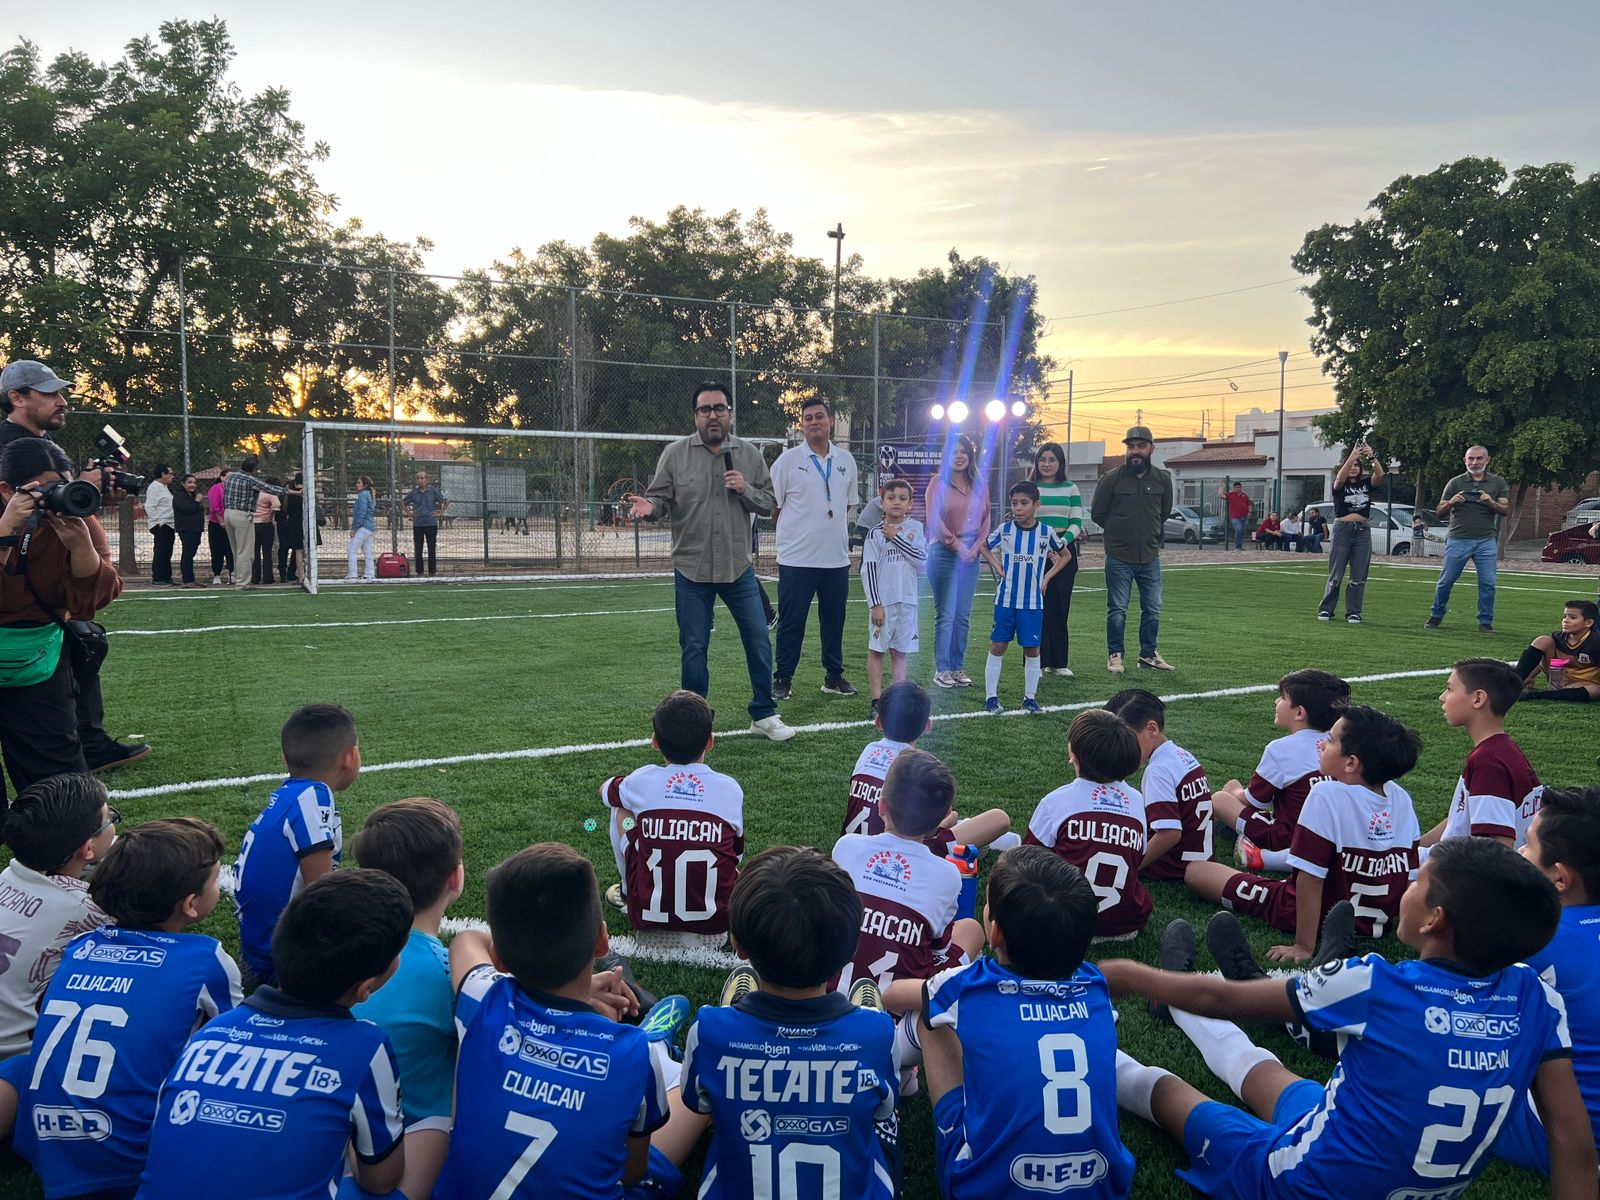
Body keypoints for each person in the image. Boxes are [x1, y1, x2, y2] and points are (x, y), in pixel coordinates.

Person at [1106, 838, 1595, 1199]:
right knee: (1296, 1088)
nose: (1408, 886)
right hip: (1367, 1150)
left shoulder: (1379, 983)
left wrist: (1135, 975)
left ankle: (1142, 1026)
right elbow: (1573, 1141)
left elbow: (1228, 1000)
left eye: (1418, 882)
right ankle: (1177, 1003)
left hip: (1303, 1182)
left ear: (1434, 919)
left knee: (1180, 1100)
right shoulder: (1538, 998)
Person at [136, 870, 413, 1199]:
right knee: (433, 1132)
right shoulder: (366, 1046)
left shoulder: (211, 1032)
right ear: (365, 988)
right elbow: (380, 1180)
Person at [4, 818, 241, 1199]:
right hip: (133, 1164)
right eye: (213, 879)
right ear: (190, 905)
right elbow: (232, 1050)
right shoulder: (206, 959)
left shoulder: (81, 946)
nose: (217, 885)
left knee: (17, 1068)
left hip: (48, 1143)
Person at [434, 844, 676, 1199]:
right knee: (658, 1161)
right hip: (630, 1059)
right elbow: (630, 1172)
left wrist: (584, 990)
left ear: (498, 958)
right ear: (602, 940)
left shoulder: (484, 998)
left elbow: (467, 940)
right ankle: (663, 1047)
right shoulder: (634, 1053)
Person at [683, 845, 898, 1199]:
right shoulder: (879, 1035)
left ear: (737, 943)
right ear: (851, 951)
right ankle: (860, 1012)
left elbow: (698, 1106)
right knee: (883, 1126)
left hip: (730, 1053)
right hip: (862, 1042)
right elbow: (881, 1113)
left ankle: (741, 1012)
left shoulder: (708, 1030)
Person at [920, 846, 1134, 1200]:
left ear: (996, 933)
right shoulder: (1097, 987)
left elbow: (924, 998)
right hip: (1103, 1188)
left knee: (928, 1020)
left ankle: (926, 1102)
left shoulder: (965, 985)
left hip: (985, 1189)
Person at [1184, 705, 1422, 961]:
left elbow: (1310, 878)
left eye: (1329, 740)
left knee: (1196, 871)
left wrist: (1304, 946)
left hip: (1311, 913)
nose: (1320, 745)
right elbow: (1408, 878)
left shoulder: (1326, 794)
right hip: (1377, 921)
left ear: (1351, 763)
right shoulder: (1401, 798)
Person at [0, 363, 146, 773]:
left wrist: (82, 497)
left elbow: (95, 593)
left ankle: (89, 742)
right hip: (18, 613)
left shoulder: (44, 447)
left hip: (38, 637)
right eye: (50, 393)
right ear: (17, 397)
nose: (63, 401)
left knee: (56, 774)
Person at [629, 382, 793, 742]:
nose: (713, 415)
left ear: (730, 413)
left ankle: (764, 713)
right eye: (706, 409)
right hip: (692, 568)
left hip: (737, 567)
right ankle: (695, 722)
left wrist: (744, 490)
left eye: (720, 408)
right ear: (696, 416)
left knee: (757, 639)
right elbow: (658, 499)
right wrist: (650, 507)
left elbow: (767, 503)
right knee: (694, 647)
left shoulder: (749, 455)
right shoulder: (674, 455)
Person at [0, 437, 123, 805]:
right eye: (46, 489)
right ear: (8, 489)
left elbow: (96, 599)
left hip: (38, 657)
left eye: (64, 485)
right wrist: (5, 531)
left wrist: (81, 548)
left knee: (59, 774)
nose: (59, 496)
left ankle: (66, 847)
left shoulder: (75, 516)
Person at [349, 799, 462, 1194]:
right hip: (413, 1149)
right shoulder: (451, 974)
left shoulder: (332, 956)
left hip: (341, 1145)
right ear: (456, 877)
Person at [1501, 787, 1600, 1173]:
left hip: (1564, 1139)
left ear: (1559, 879)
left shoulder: (1536, 937)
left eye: (1526, 846)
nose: (1517, 856)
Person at [832, 749, 985, 996]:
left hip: (829, 995)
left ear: (881, 805)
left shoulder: (846, 846)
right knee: (971, 930)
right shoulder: (947, 875)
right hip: (901, 1011)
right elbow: (937, 952)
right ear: (942, 821)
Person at [600, 690, 744, 944]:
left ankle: (626, 890)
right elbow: (736, 853)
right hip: (717, 919)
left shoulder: (642, 780)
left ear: (655, 741)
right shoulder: (729, 788)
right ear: (710, 742)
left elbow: (605, 790)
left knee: (621, 808)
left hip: (648, 915)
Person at [233, 703, 358, 987]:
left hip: (257, 950)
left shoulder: (288, 793)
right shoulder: (313, 797)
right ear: (350, 757)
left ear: (284, 759)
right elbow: (321, 892)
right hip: (284, 963)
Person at [0, 774, 114, 1059]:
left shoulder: (6, 877)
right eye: (109, 817)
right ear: (88, 849)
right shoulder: (85, 911)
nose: (112, 821)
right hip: (19, 1058)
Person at [1023, 708, 1163, 940]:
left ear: (1073, 755)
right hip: (1127, 923)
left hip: (1065, 920)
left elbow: (1028, 859)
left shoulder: (1057, 801)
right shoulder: (1137, 801)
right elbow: (1137, 856)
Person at [841, 680, 1014, 852]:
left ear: (878, 722)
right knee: (997, 819)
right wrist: (950, 821)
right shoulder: (923, 765)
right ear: (927, 726)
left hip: (856, 846)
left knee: (960, 823)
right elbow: (933, 825)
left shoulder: (868, 751)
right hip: (903, 851)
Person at [1211, 668, 1349, 873]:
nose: (1276, 702)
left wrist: (1233, 791)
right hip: (1341, 835)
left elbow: (1255, 801)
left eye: (1282, 697)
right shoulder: (1342, 743)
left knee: (1221, 798)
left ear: (1299, 712)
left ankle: (1261, 856)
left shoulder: (1280, 749)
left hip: (1290, 837)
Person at [770, 397, 860, 700]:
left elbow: (847, 505)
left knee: (834, 621)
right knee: (792, 622)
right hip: (797, 559)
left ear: (831, 421)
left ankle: (833, 677)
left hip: (836, 559)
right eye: (807, 418)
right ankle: (783, 677)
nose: (813, 422)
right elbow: (775, 507)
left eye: (819, 416)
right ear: (802, 425)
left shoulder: (846, 460)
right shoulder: (787, 461)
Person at [1419, 658, 1541, 854]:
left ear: (1478, 699)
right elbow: (1463, 816)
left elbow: (1496, 846)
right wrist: (1412, 849)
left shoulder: (1489, 762)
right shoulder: (1503, 750)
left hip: (1463, 877)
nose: (1442, 697)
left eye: (1450, 689)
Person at [978, 480, 1067, 714]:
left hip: (1032, 603)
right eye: (1014, 503)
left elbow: (1065, 555)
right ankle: (991, 698)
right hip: (1006, 600)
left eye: (1024, 503)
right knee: (998, 645)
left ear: (1036, 505)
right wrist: (996, 563)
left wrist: (1047, 577)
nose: (1018, 508)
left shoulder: (1045, 532)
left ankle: (1030, 698)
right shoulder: (1005, 530)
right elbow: (983, 546)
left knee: (1032, 649)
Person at [1091, 425, 1174, 673]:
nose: (1135, 451)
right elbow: (1098, 513)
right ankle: (1115, 655)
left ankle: (1148, 654)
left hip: (1149, 556)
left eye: (1141, 446)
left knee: (1153, 608)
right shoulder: (1111, 479)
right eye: (1131, 446)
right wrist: (1119, 532)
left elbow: (1164, 512)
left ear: (1151, 448)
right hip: (1119, 556)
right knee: (1117, 609)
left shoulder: (1163, 479)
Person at [1108, 688, 1214, 882]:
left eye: (1127, 739)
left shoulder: (1157, 771)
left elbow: (1170, 834)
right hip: (1200, 856)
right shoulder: (1183, 755)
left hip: (1174, 864)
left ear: (1152, 729)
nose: (1122, 749)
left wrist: (1133, 866)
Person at [926, 433, 990, 689]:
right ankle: (942, 669)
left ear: (970, 455)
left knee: (963, 615)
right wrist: (958, 546)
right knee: (947, 614)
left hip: (971, 556)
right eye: (954, 452)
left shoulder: (979, 484)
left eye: (964, 451)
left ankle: (957, 667)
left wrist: (974, 547)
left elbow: (986, 520)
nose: (959, 456)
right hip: (943, 553)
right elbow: (934, 521)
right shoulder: (937, 484)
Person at [1427, 443, 1510, 633]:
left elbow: (1505, 510)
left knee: (1488, 582)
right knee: (1446, 581)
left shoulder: (1498, 483)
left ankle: (1485, 622)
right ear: (1465, 461)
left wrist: (1490, 502)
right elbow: (1439, 511)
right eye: (1470, 458)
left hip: (1486, 540)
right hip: (1458, 538)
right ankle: (1436, 615)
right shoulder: (1455, 483)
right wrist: (1450, 503)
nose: (1474, 462)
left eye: (1479, 458)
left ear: (1487, 460)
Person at [861, 477, 925, 713]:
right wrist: (875, 604)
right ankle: (877, 701)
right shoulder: (874, 534)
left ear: (909, 504)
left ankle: (897, 699)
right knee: (877, 650)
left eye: (902, 498)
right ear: (882, 502)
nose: (896, 502)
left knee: (900, 652)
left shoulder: (915, 529)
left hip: (908, 602)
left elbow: (921, 562)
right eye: (891, 498)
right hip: (884, 605)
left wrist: (896, 538)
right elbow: (868, 571)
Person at [1032, 442, 1084, 676]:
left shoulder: (1071, 488)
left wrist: (1060, 543)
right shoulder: (1030, 487)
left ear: (1060, 463)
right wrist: (1044, 544)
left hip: (1063, 552)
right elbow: (1023, 517)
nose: (1047, 464)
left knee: (1059, 606)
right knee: (1035, 607)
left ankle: (1058, 662)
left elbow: (1076, 521)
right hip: (1034, 551)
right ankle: (1036, 661)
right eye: (1042, 459)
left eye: (1052, 459)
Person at [1318, 438, 1383, 622]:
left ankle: (1354, 611)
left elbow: (1379, 475)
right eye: (1350, 465)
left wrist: (1371, 455)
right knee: (1336, 573)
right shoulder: (1339, 486)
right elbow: (1339, 478)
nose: (1354, 467)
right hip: (1342, 530)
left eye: (1356, 464)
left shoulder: (1365, 484)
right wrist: (1352, 455)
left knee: (1359, 574)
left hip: (1362, 531)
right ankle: (1326, 609)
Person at [221, 454, 289, 591]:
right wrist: (288, 490)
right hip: (242, 514)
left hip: (228, 513)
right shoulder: (250, 479)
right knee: (245, 551)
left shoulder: (230, 477)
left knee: (236, 550)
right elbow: (271, 489)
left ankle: (238, 579)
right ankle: (242, 584)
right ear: (253, 469)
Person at [1515, 598, 1600, 702]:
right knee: (1543, 640)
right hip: (1556, 677)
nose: (1565, 620)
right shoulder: (1558, 637)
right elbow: (1541, 659)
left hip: (1581, 683)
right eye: (1565, 616)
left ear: (1589, 623)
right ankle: (1514, 682)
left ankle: (1539, 695)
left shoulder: (1596, 642)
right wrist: (1530, 676)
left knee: (1596, 690)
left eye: (1572, 617)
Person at [403, 469, 448, 577]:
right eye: (418, 478)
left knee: (431, 548)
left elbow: (445, 501)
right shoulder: (414, 493)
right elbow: (403, 502)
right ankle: (420, 572)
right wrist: (409, 512)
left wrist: (440, 512)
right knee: (418, 549)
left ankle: (432, 572)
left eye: (422, 478)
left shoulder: (433, 491)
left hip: (430, 524)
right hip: (418, 524)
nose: (420, 480)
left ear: (427, 479)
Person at [172, 472, 206, 587]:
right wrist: (196, 501)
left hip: (196, 529)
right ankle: (187, 580)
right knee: (187, 553)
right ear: (183, 484)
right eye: (189, 482)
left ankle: (191, 578)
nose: (192, 485)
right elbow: (186, 509)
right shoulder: (179, 496)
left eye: (194, 483)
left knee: (191, 553)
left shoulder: (191, 495)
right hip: (186, 528)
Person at [144, 464, 176, 585]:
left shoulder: (164, 487)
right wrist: (158, 522)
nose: (172, 476)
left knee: (167, 551)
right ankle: (158, 577)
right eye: (170, 474)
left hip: (169, 523)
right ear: (163, 474)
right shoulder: (155, 487)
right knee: (160, 551)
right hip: (161, 524)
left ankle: (167, 576)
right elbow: (150, 506)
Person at [345, 474, 377, 582]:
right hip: (370, 527)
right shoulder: (369, 494)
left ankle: (353, 574)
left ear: (365, 485)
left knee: (351, 548)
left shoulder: (363, 495)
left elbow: (361, 513)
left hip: (364, 527)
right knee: (367, 550)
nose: (356, 484)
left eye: (359, 482)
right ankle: (370, 574)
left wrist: (355, 528)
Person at [251, 475, 280, 585]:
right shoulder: (270, 493)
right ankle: (268, 578)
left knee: (255, 552)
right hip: (266, 524)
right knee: (267, 552)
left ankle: (255, 578)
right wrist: (270, 514)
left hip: (254, 523)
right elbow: (277, 505)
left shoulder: (255, 493)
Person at [206, 469, 233, 585]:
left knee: (231, 550)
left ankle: (232, 573)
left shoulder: (233, 489)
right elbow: (214, 507)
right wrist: (221, 521)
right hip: (217, 524)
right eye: (228, 476)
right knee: (217, 550)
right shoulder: (216, 488)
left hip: (231, 523)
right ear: (222, 477)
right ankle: (217, 574)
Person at [279, 470, 306, 584]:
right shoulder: (306, 493)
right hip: (305, 523)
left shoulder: (289, 494)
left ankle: (300, 577)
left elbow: (285, 508)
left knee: (297, 551)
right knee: (304, 551)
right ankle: (304, 576)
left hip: (293, 523)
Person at [1219, 480, 1253, 550]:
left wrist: (1250, 512)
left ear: (1241, 487)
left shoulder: (1245, 495)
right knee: (1238, 529)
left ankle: (1239, 545)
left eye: (1238, 487)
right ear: (1233, 488)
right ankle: (1238, 546)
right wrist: (1221, 487)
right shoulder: (1230, 495)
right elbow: (1221, 495)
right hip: (1235, 517)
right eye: (1235, 487)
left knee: (1242, 531)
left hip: (1244, 517)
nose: (1237, 488)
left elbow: (1249, 504)